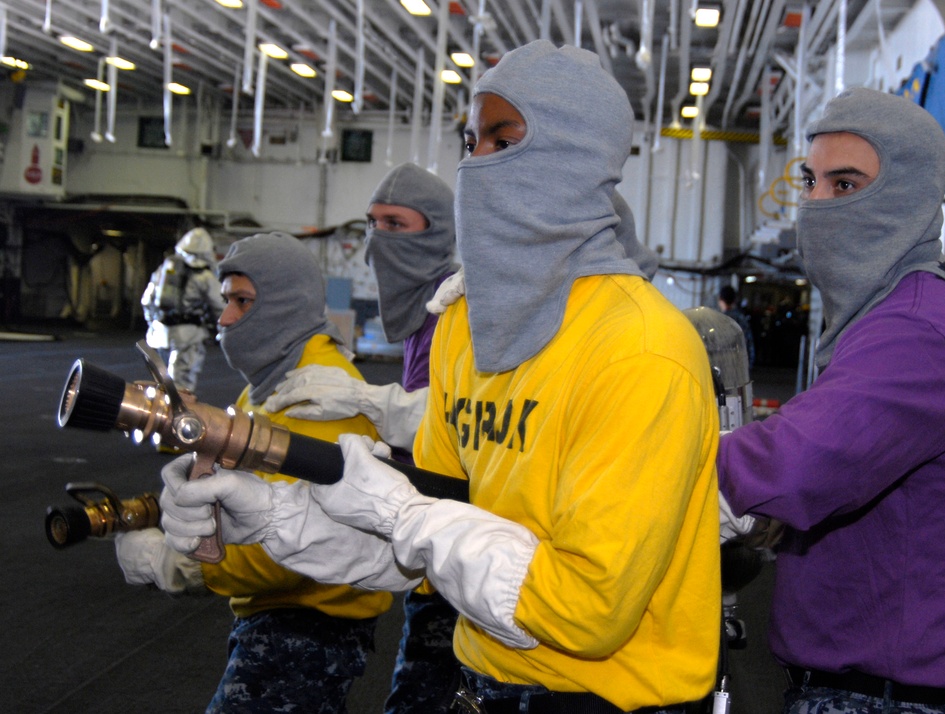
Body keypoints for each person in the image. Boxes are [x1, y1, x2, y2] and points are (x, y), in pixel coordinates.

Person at [159, 40, 722, 713]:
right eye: (470, 138)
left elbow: (586, 609)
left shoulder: (641, 349)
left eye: (503, 139)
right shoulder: (463, 325)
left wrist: (398, 510)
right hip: (481, 684)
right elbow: (423, 540)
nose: (474, 162)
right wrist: (278, 520)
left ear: (575, 154)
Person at [717, 87, 945, 714]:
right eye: (810, 182)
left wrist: (634, 458)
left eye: (845, 186)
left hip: (886, 699)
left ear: (908, 195)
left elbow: (790, 466)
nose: (816, 205)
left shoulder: (916, 330)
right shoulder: (883, 317)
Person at [116, 231, 398, 713]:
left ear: (285, 304)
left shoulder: (321, 400)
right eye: (227, 301)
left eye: (243, 302)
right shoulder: (268, 390)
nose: (225, 319)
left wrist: (180, 564)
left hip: (308, 629)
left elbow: (297, 545)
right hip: (278, 620)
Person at [265, 162, 463, 713]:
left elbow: (466, 424)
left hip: (464, 558)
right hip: (435, 557)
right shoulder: (424, 322)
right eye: (373, 223)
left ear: (439, 233)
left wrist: (366, 403)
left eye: (397, 223)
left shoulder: (455, 316)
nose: (379, 240)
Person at [141, 227, 226, 394]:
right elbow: (220, 306)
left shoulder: (165, 268)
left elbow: (147, 300)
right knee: (182, 386)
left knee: (161, 382)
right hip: (188, 336)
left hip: (159, 334)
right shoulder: (203, 275)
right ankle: (177, 418)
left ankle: (159, 415)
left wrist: (153, 323)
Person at [717, 284, 754, 369]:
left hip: (724, 367)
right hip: (740, 367)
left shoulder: (719, 320)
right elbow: (749, 345)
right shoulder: (742, 318)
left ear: (720, 299)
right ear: (734, 300)